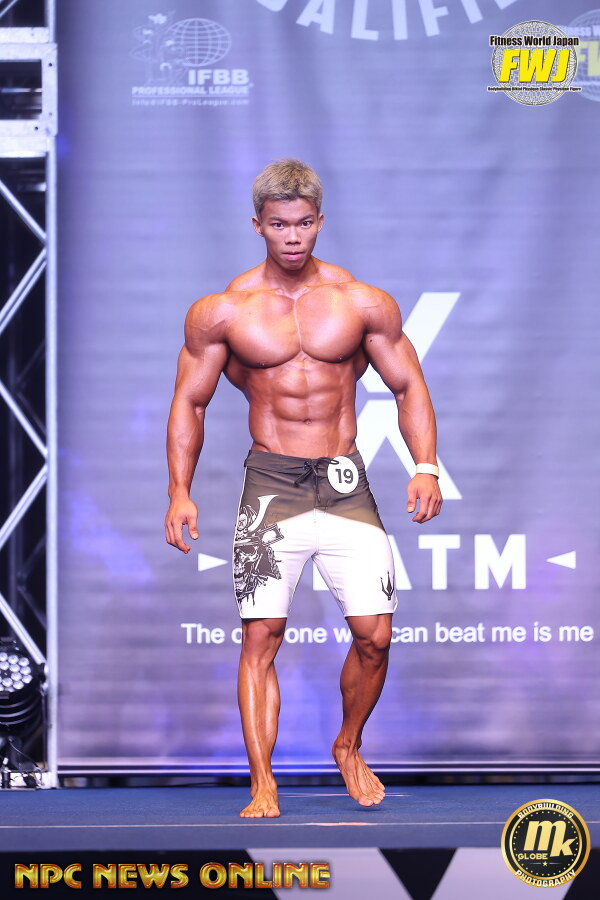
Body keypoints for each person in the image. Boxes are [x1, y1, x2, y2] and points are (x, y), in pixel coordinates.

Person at [165, 159, 442, 818]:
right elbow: (190, 402)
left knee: (375, 636)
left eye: (303, 223)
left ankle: (348, 744)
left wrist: (426, 465)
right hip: (272, 486)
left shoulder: (361, 302)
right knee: (261, 636)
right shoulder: (223, 311)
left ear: (320, 222)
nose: (292, 237)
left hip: (344, 481)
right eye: (279, 225)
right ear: (258, 224)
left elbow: (408, 383)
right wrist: (179, 491)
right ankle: (263, 781)